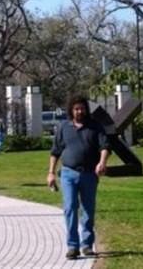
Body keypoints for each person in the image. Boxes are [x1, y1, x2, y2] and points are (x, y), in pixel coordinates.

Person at [47, 95, 110, 260]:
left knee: (88, 209)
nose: (79, 111)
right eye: (76, 109)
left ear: (86, 109)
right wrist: (51, 173)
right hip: (68, 173)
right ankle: (72, 246)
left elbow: (105, 146)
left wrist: (102, 162)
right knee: (70, 207)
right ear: (71, 110)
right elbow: (55, 152)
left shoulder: (95, 126)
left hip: (89, 174)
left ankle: (87, 245)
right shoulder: (63, 127)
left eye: (82, 108)